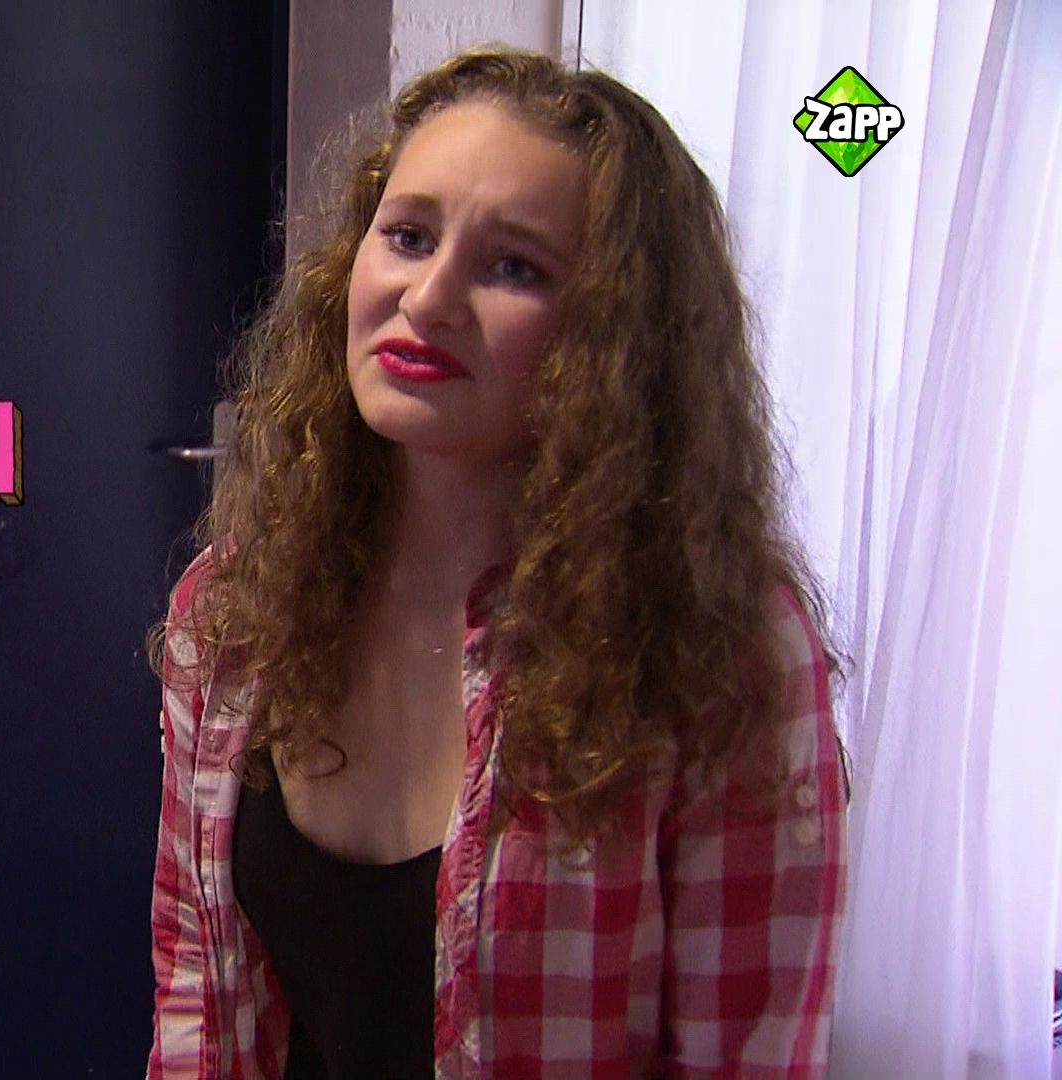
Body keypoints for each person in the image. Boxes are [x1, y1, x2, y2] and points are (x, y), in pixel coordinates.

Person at [144, 45, 849, 1080]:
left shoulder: (717, 646)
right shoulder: (235, 606)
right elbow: (196, 991)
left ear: (615, 335)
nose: (429, 299)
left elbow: (749, 1055)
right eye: (408, 236)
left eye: (513, 266)